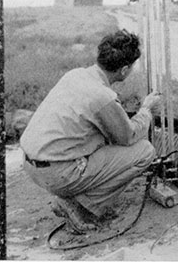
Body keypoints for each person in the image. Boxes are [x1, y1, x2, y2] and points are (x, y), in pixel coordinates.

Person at [20, 29, 161, 233]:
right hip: (57, 173)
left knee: (102, 142)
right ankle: (80, 206)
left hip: (31, 163)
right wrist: (146, 110)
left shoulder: (75, 75)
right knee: (144, 151)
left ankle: (74, 196)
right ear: (123, 70)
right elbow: (127, 137)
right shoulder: (101, 96)